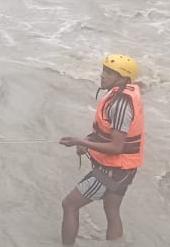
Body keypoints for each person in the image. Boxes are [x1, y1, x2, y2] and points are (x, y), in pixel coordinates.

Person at [58, 54, 146, 246]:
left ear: (123, 79)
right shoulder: (119, 95)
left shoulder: (121, 105)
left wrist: (80, 141)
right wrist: (87, 140)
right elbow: (108, 134)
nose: (103, 75)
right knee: (111, 209)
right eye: (104, 70)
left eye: (110, 73)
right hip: (124, 169)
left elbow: (116, 147)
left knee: (69, 205)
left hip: (114, 170)